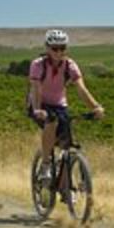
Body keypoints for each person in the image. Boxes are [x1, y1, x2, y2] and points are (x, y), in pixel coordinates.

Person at [27, 29, 104, 181]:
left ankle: (65, 188)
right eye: (55, 48)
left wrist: (95, 107)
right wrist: (37, 109)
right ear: (47, 48)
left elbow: (81, 89)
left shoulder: (70, 66)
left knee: (66, 146)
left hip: (59, 105)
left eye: (62, 48)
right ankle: (45, 164)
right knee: (51, 122)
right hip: (40, 103)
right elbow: (36, 89)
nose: (59, 52)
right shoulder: (38, 65)